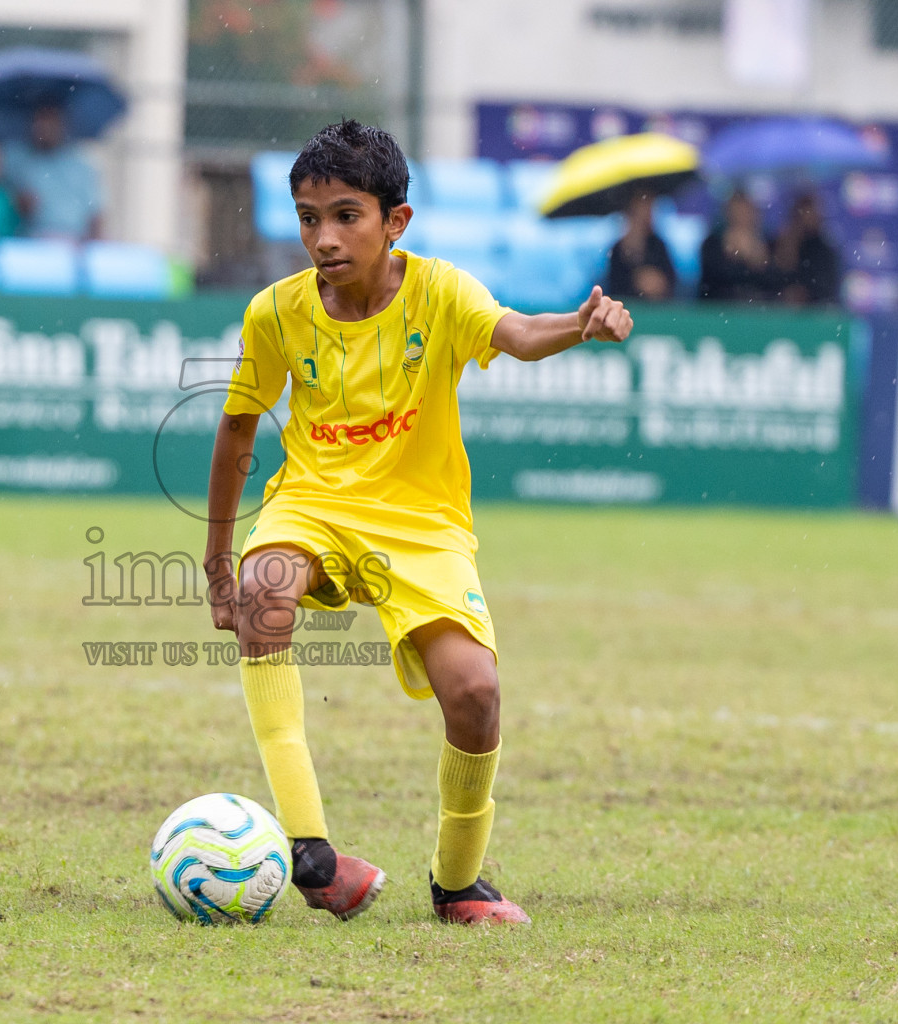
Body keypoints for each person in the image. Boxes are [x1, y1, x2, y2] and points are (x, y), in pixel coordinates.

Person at [203, 120, 633, 927]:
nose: (322, 238)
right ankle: (310, 852)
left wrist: (580, 324)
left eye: (344, 215)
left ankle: (459, 882)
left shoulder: (440, 292)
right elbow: (236, 431)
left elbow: (514, 333)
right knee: (265, 593)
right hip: (316, 507)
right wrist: (218, 564)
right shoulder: (276, 314)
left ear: (395, 221)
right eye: (307, 218)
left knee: (474, 694)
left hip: (421, 523)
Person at [4, 105, 102, 240]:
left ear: (62, 125)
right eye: (40, 122)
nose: (44, 128)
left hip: (74, 244)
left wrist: (93, 246)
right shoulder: (19, 160)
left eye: (50, 122)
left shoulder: (80, 165)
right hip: (32, 242)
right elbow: (5, 204)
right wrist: (21, 204)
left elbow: (96, 214)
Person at [698, 190, 772, 303]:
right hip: (719, 309)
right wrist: (734, 256)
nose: (741, 216)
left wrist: (758, 260)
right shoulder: (712, 243)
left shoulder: (769, 242)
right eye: (737, 211)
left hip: (760, 311)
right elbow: (713, 280)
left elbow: (777, 280)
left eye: (746, 211)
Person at [771, 192, 842, 306]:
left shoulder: (824, 251)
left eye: (810, 213)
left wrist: (804, 293)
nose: (806, 219)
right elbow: (770, 280)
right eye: (801, 214)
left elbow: (826, 287)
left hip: (814, 314)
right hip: (780, 312)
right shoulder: (781, 243)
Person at [604, 191, 677, 301]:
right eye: (643, 208)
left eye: (650, 207)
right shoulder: (617, 249)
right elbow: (614, 287)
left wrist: (659, 283)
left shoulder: (658, 245)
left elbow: (671, 282)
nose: (648, 213)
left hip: (655, 310)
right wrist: (636, 281)